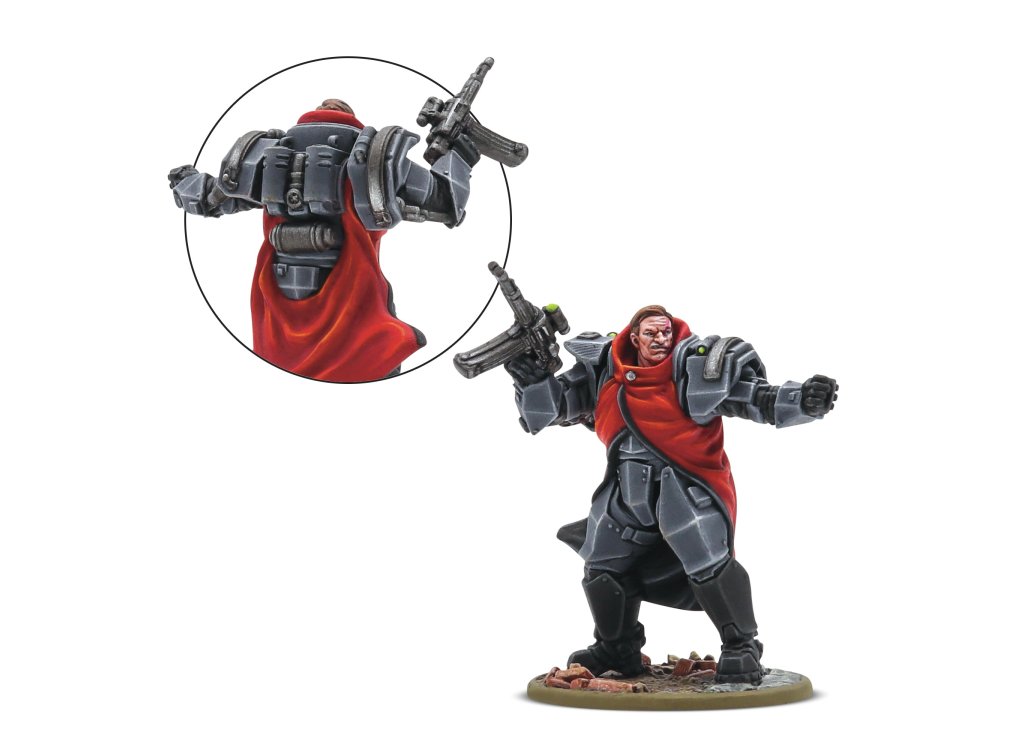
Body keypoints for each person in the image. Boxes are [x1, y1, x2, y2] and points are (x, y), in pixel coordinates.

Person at [505, 305, 838, 683]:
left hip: (682, 486)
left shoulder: (696, 368)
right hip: (625, 487)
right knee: (602, 565)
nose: (660, 340)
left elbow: (756, 398)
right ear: (634, 338)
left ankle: (741, 645)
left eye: (665, 332)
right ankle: (617, 647)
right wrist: (534, 380)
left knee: (707, 561)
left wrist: (803, 399)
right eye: (651, 334)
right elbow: (555, 409)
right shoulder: (605, 370)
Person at [169, 99, 481, 382]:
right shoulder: (375, 156)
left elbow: (210, 198)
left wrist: (185, 180)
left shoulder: (267, 156)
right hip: (351, 304)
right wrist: (457, 150)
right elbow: (448, 202)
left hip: (280, 315)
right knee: (368, 354)